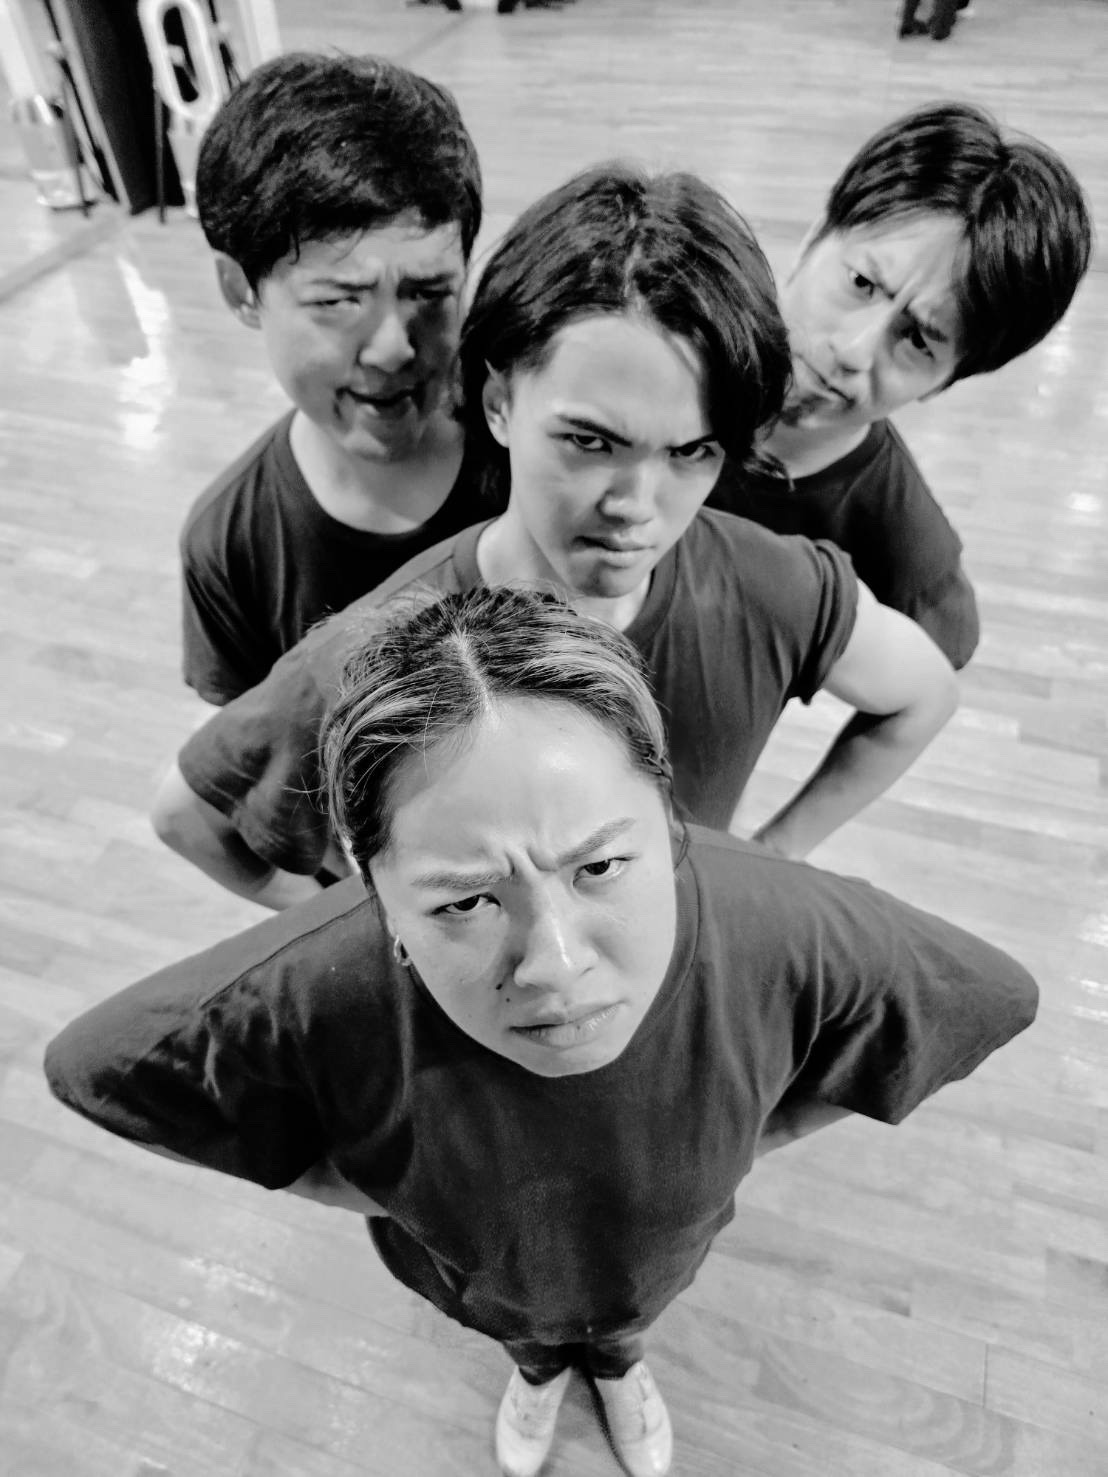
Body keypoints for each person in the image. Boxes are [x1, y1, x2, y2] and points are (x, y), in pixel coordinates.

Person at [46, 587, 1039, 1477]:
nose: (555, 966)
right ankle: (533, 1371)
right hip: (487, 1281)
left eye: (599, 867)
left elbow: (989, 991)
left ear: (666, 814)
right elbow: (98, 1062)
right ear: (374, 887)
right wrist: (367, 1182)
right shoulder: (315, 981)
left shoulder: (784, 923)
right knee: (524, 1332)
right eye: (464, 900)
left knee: (627, 1316)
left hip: (651, 1257)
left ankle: (619, 1361)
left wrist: (761, 1128)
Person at [151, 163, 959, 909]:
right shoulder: (377, 652)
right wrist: (373, 929)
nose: (635, 505)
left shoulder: (770, 586)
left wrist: (776, 853)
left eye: (690, 452)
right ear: (500, 404)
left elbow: (924, 694)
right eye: (590, 441)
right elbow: (191, 816)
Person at [708, 101, 1092, 668]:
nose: (853, 350)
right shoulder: (678, 343)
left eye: (918, 339)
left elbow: (940, 659)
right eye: (862, 283)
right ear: (815, 239)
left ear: (947, 380)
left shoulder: (904, 540)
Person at [180, 51, 485, 707]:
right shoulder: (232, 544)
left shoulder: (533, 456)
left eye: (430, 292)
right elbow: (252, 747)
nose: (393, 347)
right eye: (339, 300)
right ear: (240, 289)